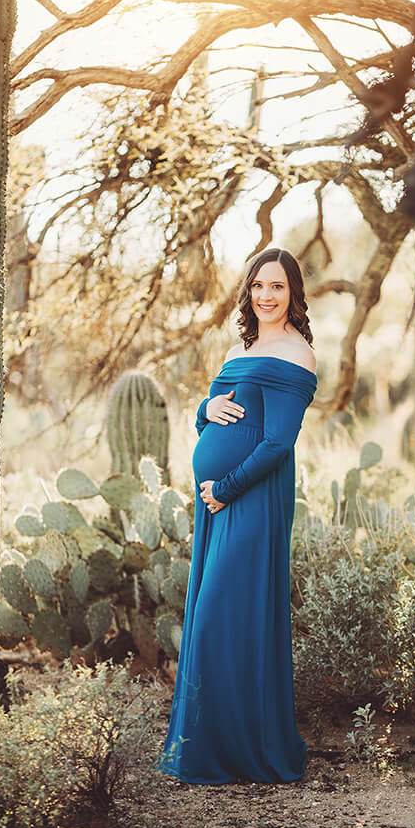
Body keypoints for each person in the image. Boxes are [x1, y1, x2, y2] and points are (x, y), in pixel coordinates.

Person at [157, 247, 318, 784]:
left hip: (250, 497)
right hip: (217, 501)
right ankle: (209, 743)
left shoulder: (298, 354)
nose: (266, 296)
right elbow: (208, 418)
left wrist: (225, 487)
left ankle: (235, 749)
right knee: (212, 615)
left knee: (227, 615)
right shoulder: (237, 349)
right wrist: (202, 410)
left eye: (277, 286)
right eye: (257, 287)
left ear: (293, 292)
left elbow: (276, 444)